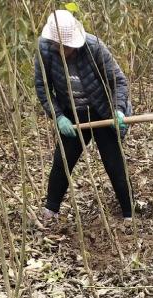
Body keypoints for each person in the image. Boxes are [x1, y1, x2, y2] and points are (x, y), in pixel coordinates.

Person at [35, 10, 134, 223]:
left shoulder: (94, 46)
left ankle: (129, 212)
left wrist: (118, 109)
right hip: (71, 114)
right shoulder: (44, 50)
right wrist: (59, 116)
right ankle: (51, 210)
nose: (64, 50)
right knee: (62, 161)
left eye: (68, 46)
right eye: (60, 46)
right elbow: (42, 87)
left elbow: (119, 80)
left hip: (101, 109)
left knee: (113, 161)